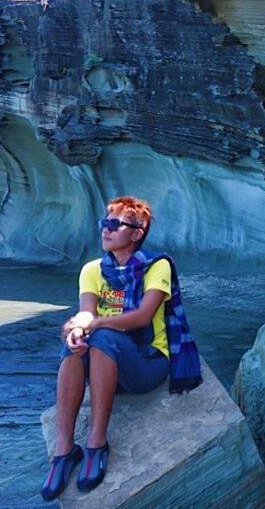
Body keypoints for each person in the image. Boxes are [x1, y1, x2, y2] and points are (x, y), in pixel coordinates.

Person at [40, 196, 202, 500]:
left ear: (136, 234)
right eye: (105, 222)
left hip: (147, 363)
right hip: (109, 363)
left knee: (99, 336)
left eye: (115, 224)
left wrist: (96, 324)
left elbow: (142, 316)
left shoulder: (158, 266)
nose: (106, 229)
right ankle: (64, 449)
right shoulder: (92, 270)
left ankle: (97, 442)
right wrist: (77, 328)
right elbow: (87, 310)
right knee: (75, 343)